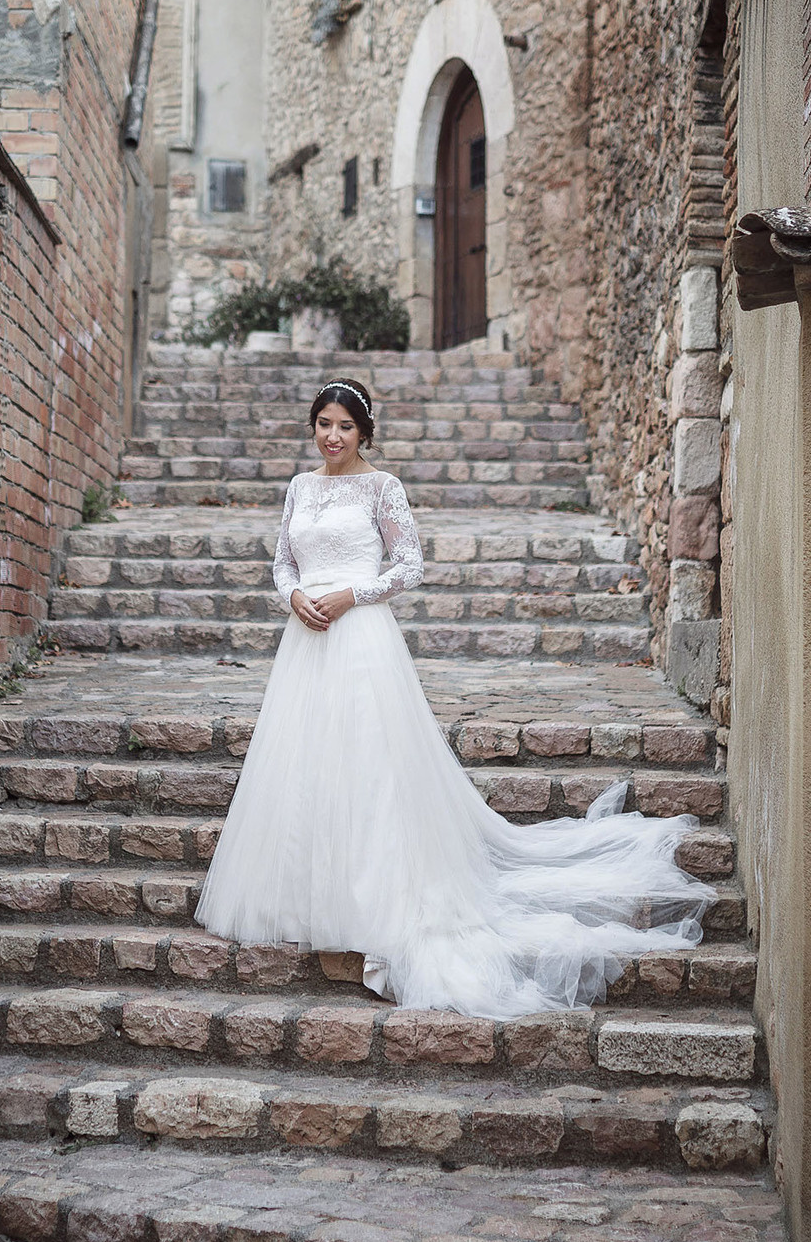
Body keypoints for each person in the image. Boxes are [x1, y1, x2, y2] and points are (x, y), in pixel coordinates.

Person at [195, 377, 715, 1019]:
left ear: (364, 434)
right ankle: (307, 898)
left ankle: (375, 904)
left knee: (370, 772)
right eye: (324, 424)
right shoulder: (300, 488)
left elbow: (410, 565)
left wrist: (351, 594)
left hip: (360, 640)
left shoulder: (383, 488)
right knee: (305, 770)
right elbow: (282, 563)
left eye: (345, 428)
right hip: (305, 644)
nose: (332, 437)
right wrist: (295, 596)